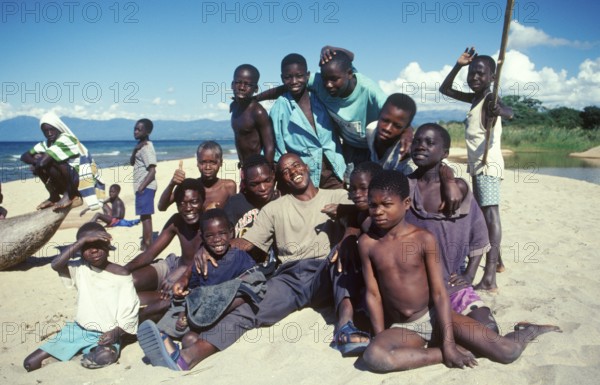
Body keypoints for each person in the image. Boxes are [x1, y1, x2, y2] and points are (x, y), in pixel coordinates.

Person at [150, 154, 357, 370]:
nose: (293, 172)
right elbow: (244, 243)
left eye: (296, 165)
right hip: (291, 278)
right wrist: (202, 252)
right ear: (281, 179)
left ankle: (346, 327)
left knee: (345, 262)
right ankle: (191, 354)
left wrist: (349, 236)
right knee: (251, 307)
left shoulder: (337, 195)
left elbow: (360, 217)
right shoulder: (274, 208)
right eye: (286, 171)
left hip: (327, 268)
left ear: (306, 167)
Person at [358, 170, 560, 373]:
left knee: (507, 352)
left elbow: (439, 293)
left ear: (407, 203)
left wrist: (448, 342)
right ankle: (442, 353)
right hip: (405, 327)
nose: (378, 211)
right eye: (373, 205)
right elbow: (373, 294)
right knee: (376, 356)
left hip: (436, 316)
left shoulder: (423, 239)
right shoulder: (368, 244)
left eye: (386, 204)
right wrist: (380, 335)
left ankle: (528, 330)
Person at [137, 208, 258, 370]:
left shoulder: (240, 257)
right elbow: (194, 289)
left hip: (223, 309)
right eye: (210, 236)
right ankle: (161, 337)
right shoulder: (202, 262)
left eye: (222, 234)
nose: (217, 240)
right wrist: (184, 311)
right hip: (196, 309)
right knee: (173, 314)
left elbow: (249, 282)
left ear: (231, 232)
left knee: (190, 340)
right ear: (202, 237)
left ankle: (170, 345)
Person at [406, 123, 497, 330]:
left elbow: (478, 233)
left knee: (488, 329)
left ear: (445, 152)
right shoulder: (404, 186)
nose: (421, 146)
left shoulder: (459, 188)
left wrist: (469, 275)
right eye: (417, 141)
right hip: (413, 284)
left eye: (430, 143)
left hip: (449, 282)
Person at [439, 48, 514, 291]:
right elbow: (445, 90)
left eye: (480, 74)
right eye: (471, 73)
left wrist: (499, 111)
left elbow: (510, 112)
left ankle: (490, 276)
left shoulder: (490, 98)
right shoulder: (475, 98)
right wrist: (458, 65)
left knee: (490, 216)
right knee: (483, 214)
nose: (474, 78)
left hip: (487, 165)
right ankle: (498, 261)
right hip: (478, 166)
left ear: (492, 77)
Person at [23, 222, 139, 371]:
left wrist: (116, 332)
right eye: (87, 247)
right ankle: (75, 351)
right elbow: (56, 265)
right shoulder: (80, 268)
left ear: (108, 246)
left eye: (98, 244)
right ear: (80, 250)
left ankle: (78, 355)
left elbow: (130, 311)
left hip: (106, 334)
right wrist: (82, 241)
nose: (94, 250)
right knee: (29, 363)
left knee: (104, 357)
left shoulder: (121, 274)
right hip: (79, 330)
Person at [257, 46, 387, 175]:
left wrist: (407, 131)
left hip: (375, 146)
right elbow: (287, 87)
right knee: (353, 185)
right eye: (325, 79)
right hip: (349, 147)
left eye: (334, 79)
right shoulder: (319, 82)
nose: (329, 85)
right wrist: (254, 99)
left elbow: (396, 112)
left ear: (349, 74)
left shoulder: (370, 91)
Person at [124, 178, 205, 321]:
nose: (188, 208)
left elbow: (209, 255)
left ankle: (151, 303)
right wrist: (123, 270)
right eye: (182, 203)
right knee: (130, 281)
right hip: (173, 266)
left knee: (144, 300)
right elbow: (150, 254)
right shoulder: (177, 220)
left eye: (194, 202)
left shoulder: (211, 222)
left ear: (203, 201)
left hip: (192, 276)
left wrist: (184, 272)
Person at [269, 53, 345, 189]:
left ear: (307, 75)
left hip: (335, 170)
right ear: (282, 78)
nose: (294, 81)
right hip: (304, 176)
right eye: (288, 77)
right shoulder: (280, 107)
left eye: (299, 76)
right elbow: (278, 147)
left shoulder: (321, 97)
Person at [21, 112, 105, 212]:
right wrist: (36, 161)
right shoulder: (46, 143)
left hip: (80, 180)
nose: (49, 133)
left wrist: (38, 163)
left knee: (51, 160)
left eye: (51, 129)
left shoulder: (66, 139)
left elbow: (43, 162)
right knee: (40, 159)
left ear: (58, 127)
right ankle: (54, 196)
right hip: (66, 181)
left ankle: (70, 195)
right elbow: (24, 156)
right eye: (45, 131)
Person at [223, 154, 279, 264]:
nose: (263, 188)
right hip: (242, 268)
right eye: (255, 184)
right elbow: (220, 236)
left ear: (273, 175)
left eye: (267, 180)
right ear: (246, 183)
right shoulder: (235, 203)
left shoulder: (282, 201)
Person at [158, 141, 237, 212]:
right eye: (203, 162)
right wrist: (172, 184)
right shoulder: (189, 187)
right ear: (197, 163)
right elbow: (162, 207)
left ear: (221, 163)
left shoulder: (228, 187)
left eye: (213, 162)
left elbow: (233, 214)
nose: (208, 167)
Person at [230, 64, 275, 169]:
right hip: (244, 166)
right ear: (232, 85)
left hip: (257, 168)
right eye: (238, 83)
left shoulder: (257, 112)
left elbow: (270, 146)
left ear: (255, 89)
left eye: (247, 84)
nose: (241, 87)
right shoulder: (235, 107)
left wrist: (266, 170)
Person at [130, 118, 157, 251]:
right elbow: (131, 162)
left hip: (146, 186)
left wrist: (141, 187)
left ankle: (148, 244)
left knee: (146, 216)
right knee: (143, 215)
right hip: (142, 187)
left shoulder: (147, 147)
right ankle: (145, 243)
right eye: (135, 128)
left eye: (139, 129)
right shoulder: (140, 146)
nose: (135, 131)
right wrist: (135, 150)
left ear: (147, 132)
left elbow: (152, 171)